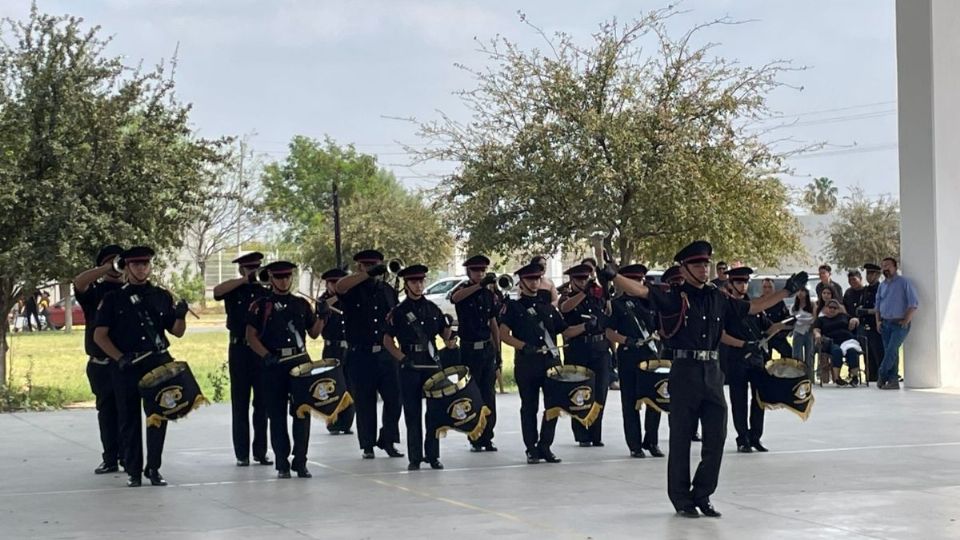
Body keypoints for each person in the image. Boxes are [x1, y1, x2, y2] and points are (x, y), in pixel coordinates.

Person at [601, 240, 807, 518]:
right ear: (683, 269)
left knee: (717, 437)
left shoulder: (718, 297)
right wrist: (614, 276)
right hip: (684, 370)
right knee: (681, 438)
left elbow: (753, 307)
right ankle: (681, 499)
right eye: (697, 264)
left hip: (712, 370)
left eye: (706, 264)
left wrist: (787, 290)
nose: (703, 268)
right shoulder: (674, 296)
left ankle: (703, 493)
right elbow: (642, 290)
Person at [93, 246, 190, 487]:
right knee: (128, 419)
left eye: (145, 264)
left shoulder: (161, 296)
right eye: (136, 264)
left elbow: (176, 332)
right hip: (127, 365)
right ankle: (133, 471)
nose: (141, 269)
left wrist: (181, 316)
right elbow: (99, 336)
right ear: (126, 268)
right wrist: (119, 358)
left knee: (158, 416)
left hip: (157, 363)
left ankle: (153, 468)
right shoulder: (113, 299)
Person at [498, 262, 590, 464]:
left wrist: (586, 326)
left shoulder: (547, 307)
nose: (534, 282)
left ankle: (545, 446)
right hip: (527, 363)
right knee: (529, 407)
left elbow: (565, 331)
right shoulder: (513, 307)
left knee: (553, 406)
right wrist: (523, 346)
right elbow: (503, 334)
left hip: (550, 362)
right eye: (530, 279)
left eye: (537, 279)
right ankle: (531, 448)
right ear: (521, 282)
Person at [246, 261, 322, 478]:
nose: (284, 281)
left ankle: (301, 461)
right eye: (279, 277)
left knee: (302, 412)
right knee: (277, 415)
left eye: (287, 277)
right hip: (274, 363)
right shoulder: (261, 305)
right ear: (271, 279)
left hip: (300, 361)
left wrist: (323, 316)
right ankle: (282, 462)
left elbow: (314, 333)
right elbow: (251, 336)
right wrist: (265, 355)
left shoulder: (301, 304)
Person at [383, 264, 454, 470]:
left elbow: (446, 338)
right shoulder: (399, 312)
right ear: (406, 285)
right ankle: (415, 457)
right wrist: (402, 358)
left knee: (434, 412)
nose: (419, 285)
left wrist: (449, 328)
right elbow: (387, 340)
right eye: (414, 282)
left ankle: (433, 455)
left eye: (421, 281)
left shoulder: (432, 308)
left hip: (431, 363)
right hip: (410, 364)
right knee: (412, 412)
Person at [334, 249, 404, 459]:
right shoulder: (352, 289)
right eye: (367, 265)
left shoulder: (387, 290)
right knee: (365, 402)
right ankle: (367, 445)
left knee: (394, 399)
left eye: (375, 265)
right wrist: (366, 274)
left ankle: (388, 439)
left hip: (385, 353)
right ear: (359, 267)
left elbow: (395, 319)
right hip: (361, 354)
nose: (372, 268)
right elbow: (339, 287)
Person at [213, 252, 272, 467]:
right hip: (238, 349)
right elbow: (217, 292)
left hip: (260, 349)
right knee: (240, 403)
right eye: (249, 269)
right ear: (241, 270)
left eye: (256, 268)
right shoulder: (234, 289)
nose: (254, 272)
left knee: (262, 404)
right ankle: (242, 453)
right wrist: (245, 280)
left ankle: (260, 451)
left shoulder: (265, 292)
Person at [73, 244, 125, 475]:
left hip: (125, 362)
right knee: (106, 412)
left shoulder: (129, 291)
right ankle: (110, 458)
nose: (116, 265)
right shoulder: (95, 291)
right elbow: (79, 282)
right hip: (100, 363)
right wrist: (106, 268)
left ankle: (129, 457)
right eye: (110, 261)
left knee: (127, 411)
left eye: (120, 261)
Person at [605, 264, 664, 458]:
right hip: (629, 355)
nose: (639, 283)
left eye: (640, 280)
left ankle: (652, 441)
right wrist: (626, 340)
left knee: (655, 400)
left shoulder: (651, 302)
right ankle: (635, 445)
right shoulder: (617, 304)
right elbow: (608, 332)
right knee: (630, 401)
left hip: (651, 355)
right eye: (634, 280)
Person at [449, 255, 500, 452]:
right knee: (472, 393)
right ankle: (475, 436)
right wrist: (479, 286)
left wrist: (497, 350)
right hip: (470, 349)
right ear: (468, 272)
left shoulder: (489, 294)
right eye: (476, 270)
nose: (480, 274)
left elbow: (493, 322)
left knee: (489, 394)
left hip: (486, 348)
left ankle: (488, 435)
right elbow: (455, 298)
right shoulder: (464, 289)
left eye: (482, 271)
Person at [718, 267, 771, 453]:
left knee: (759, 399)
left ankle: (756, 437)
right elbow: (721, 335)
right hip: (736, 358)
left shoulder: (755, 306)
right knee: (739, 400)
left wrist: (784, 325)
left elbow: (767, 328)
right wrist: (743, 344)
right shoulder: (725, 307)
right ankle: (743, 438)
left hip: (756, 359)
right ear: (730, 284)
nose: (743, 286)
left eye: (746, 282)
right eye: (739, 282)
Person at [559, 263, 609, 447]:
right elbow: (565, 308)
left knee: (600, 391)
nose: (583, 282)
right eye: (579, 279)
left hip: (599, 348)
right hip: (578, 349)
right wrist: (583, 293)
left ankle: (596, 433)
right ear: (572, 280)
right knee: (579, 391)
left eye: (586, 278)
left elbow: (607, 314)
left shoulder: (597, 296)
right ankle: (582, 434)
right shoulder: (567, 297)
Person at [317, 268, 354, 435]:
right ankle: (333, 422)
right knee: (332, 385)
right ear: (327, 284)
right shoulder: (323, 301)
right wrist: (335, 298)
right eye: (333, 283)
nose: (336, 286)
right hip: (332, 348)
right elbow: (321, 312)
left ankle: (346, 423)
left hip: (349, 347)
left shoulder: (349, 298)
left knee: (349, 385)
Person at [876, 257, 919, 390]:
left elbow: (913, 303)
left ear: (895, 267)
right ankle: (893, 380)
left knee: (891, 350)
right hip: (885, 324)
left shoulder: (904, 283)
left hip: (899, 324)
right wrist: (878, 321)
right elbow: (877, 305)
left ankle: (882, 373)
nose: (885, 268)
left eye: (888, 266)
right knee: (890, 353)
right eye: (883, 266)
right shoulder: (882, 285)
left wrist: (906, 320)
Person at [812, 299, 862, 386]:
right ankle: (837, 378)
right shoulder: (821, 319)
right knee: (837, 351)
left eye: (835, 308)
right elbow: (816, 329)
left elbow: (855, 320)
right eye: (830, 307)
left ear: (838, 309)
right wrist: (817, 334)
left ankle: (854, 377)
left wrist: (854, 320)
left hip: (847, 341)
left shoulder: (843, 316)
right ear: (825, 308)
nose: (832, 309)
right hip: (832, 341)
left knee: (852, 351)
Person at [860, 263, 885, 383]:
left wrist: (866, 311)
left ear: (878, 275)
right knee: (868, 358)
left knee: (879, 355)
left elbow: (880, 308)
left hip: (876, 327)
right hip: (866, 327)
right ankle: (871, 379)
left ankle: (882, 379)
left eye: (871, 273)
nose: (869, 276)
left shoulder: (881, 289)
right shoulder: (866, 290)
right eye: (867, 273)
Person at [760, 278, 793, 359]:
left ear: (774, 288)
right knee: (764, 359)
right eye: (765, 287)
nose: (767, 290)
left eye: (770, 287)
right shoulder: (758, 303)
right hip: (764, 337)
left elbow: (787, 318)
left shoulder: (779, 302)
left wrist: (784, 331)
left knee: (788, 352)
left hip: (778, 336)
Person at [790, 288, 816, 380]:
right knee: (797, 355)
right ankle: (798, 378)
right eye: (799, 291)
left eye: (803, 291)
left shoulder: (812, 305)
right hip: (798, 331)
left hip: (809, 331)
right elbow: (792, 319)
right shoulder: (794, 306)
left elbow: (814, 318)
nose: (800, 293)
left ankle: (809, 378)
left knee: (809, 355)